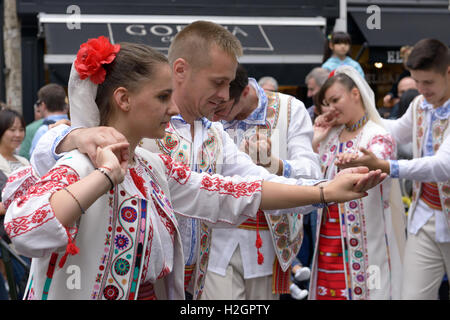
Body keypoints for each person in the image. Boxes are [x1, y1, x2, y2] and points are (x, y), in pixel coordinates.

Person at [2, 37, 384, 300]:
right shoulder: (80, 162)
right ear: (124, 99)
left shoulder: (150, 166)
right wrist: (103, 176)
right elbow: (26, 229)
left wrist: (326, 192)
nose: (172, 108)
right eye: (162, 96)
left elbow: (231, 191)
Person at [334, 39, 450, 300]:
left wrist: (386, 166)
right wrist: (350, 118)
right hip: (425, 217)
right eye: (416, 81)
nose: (421, 89)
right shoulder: (421, 104)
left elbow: (444, 166)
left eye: (428, 82)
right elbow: (393, 130)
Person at [202, 64, 321, 300]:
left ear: (245, 92)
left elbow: (311, 174)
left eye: (223, 107)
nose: (214, 116)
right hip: (216, 238)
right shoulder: (208, 114)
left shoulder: (290, 108)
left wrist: (276, 165)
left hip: (270, 240)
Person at [311, 65, 406, 300]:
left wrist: (361, 162)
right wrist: (315, 140)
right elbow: (309, 177)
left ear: (355, 93)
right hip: (327, 235)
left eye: (335, 100)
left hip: (365, 237)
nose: (331, 108)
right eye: (326, 103)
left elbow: (379, 159)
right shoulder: (330, 136)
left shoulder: (376, 134)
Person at [0, 109, 30, 299]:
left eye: (21, 129)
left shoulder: (24, 161)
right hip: (8, 242)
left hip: (29, 234)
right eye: (12, 129)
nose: (18, 134)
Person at [28, 84, 68, 157]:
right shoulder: (74, 125)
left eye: (38, 104)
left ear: (43, 105)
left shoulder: (43, 130)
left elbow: (34, 160)